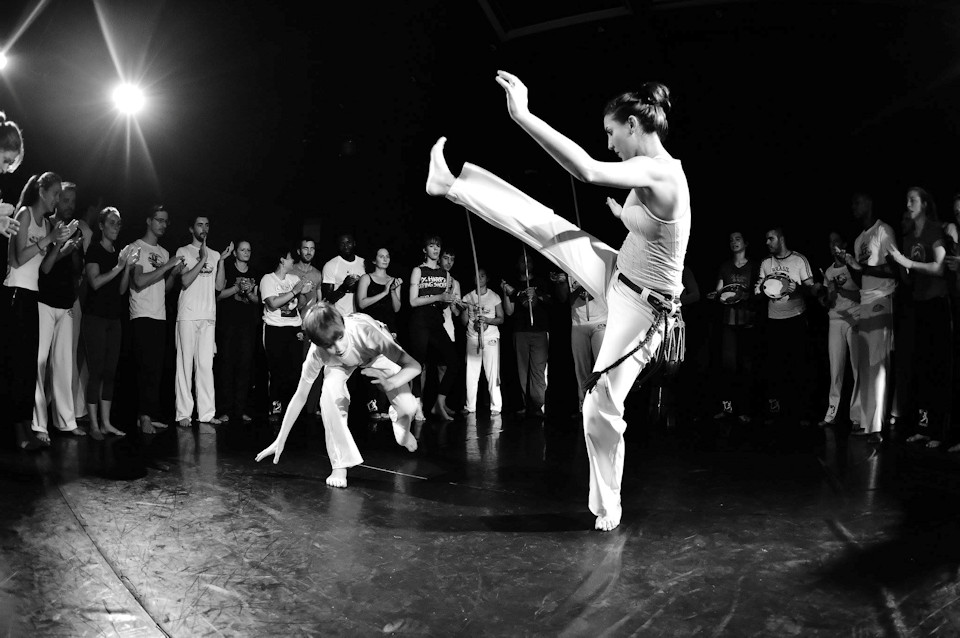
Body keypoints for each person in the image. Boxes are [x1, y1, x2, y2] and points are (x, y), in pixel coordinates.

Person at [425, 71, 690, 532]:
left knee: (598, 407)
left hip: (645, 309)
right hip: (618, 272)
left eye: (611, 132)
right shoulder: (643, 173)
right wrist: (619, 217)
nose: (609, 143)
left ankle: (609, 506)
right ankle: (450, 184)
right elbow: (642, 223)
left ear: (632, 125)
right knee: (549, 226)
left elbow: (587, 169)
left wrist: (524, 116)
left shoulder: (660, 172)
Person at [255, 301, 421, 488]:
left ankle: (402, 429)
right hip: (340, 366)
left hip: (375, 355)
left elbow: (414, 366)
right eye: (329, 345)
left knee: (408, 407)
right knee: (329, 394)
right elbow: (301, 395)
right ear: (318, 343)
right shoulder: (318, 353)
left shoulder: (366, 332)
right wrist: (281, 439)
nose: (338, 347)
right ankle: (339, 465)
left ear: (342, 324)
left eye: (340, 337)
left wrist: (390, 383)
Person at [3, 173, 73, 450]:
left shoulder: (46, 224)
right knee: (17, 364)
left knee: (29, 365)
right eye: (55, 193)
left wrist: (59, 246)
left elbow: (44, 268)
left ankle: (23, 428)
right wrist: (49, 239)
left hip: (32, 295)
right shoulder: (24, 214)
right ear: (42, 192)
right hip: (14, 293)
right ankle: (18, 431)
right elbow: (17, 259)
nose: (58, 199)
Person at [888, 187, 952, 449]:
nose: (908, 204)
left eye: (913, 200)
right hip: (919, 305)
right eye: (906, 200)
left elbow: (938, 267)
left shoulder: (934, 230)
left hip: (937, 304)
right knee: (921, 367)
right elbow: (907, 277)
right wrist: (898, 263)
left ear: (924, 204)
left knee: (937, 368)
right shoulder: (908, 237)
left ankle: (938, 430)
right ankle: (922, 426)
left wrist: (907, 261)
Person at [843, 192, 897, 443]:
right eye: (853, 203)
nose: (854, 206)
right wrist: (849, 264)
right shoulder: (858, 239)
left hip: (881, 301)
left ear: (870, 203)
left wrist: (860, 266)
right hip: (865, 302)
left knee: (878, 365)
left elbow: (892, 268)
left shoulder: (883, 230)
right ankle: (865, 422)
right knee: (864, 366)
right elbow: (859, 278)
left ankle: (877, 426)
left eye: (858, 201)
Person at [35, 182, 86, 439]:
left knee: (65, 364)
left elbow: (77, 269)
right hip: (44, 299)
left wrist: (75, 247)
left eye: (73, 202)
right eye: (65, 200)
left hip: (66, 302)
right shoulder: (46, 225)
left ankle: (66, 422)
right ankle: (39, 424)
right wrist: (62, 246)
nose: (69, 206)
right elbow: (45, 266)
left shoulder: (76, 230)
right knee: (41, 363)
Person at [83, 207, 138, 440]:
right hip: (95, 318)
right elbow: (94, 282)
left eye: (119, 223)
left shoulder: (118, 253)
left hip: (114, 319)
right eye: (112, 223)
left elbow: (123, 289)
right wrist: (118, 266)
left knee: (109, 372)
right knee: (95, 371)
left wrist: (126, 267)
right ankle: (94, 424)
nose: (116, 227)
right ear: (102, 226)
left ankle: (106, 423)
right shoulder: (95, 250)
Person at [755, 227, 818, 426]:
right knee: (775, 367)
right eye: (766, 239)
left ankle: (801, 411)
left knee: (798, 365)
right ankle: (777, 411)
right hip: (774, 319)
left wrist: (798, 289)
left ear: (781, 239)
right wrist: (760, 291)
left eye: (770, 238)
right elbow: (758, 288)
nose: (767, 242)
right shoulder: (766, 263)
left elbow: (813, 290)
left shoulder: (799, 260)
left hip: (796, 318)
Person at [130, 205, 184, 434]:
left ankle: (149, 414)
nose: (163, 225)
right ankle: (142, 416)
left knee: (155, 368)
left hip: (160, 314)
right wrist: (169, 265)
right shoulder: (136, 247)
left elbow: (165, 288)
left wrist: (172, 273)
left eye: (166, 221)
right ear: (148, 220)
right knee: (144, 367)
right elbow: (139, 281)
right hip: (141, 314)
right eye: (159, 220)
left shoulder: (163, 252)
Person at [175, 216, 229, 431]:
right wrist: (202, 259)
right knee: (185, 366)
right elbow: (185, 281)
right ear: (191, 228)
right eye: (200, 225)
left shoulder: (215, 255)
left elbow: (218, 286)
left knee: (206, 367)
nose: (204, 228)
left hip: (208, 316)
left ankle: (207, 413)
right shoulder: (183, 251)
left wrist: (221, 261)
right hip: (187, 315)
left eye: (207, 224)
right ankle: (183, 413)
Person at [408, 234, 461, 421]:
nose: (436, 249)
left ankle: (439, 403)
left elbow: (443, 304)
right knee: (418, 364)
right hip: (420, 319)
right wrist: (438, 297)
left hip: (436, 320)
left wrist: (448, 300)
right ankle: (417, 406)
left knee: (453, 362)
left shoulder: (445, 275)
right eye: (431, 246)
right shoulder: (418, 270)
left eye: (438, 246)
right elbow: (413, 301)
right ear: (425, 250)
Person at [709, 231, 758, 422]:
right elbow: (720, 290)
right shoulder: (725, 266)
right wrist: (716, 295)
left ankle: (745, 409)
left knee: (746, 366)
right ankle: (727, 408)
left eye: (737, 239)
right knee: (728, 366)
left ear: (745, 243)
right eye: (730, 240)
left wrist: (745, 296)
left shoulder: (753, 267)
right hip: (729, 320)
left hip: (747, 320)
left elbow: (758, 292)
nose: (734, 242)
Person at [260, 246, 313, 417]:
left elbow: (301, 303)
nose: (293, 262)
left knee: (295, 370)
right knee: (277, 370)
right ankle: (276, 405)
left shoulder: (294, 278)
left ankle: (293, 408)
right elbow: (272, 303)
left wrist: (303, 292)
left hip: (294, 328)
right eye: (291, 258)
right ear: (282, 260)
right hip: (275, 329)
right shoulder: (268, 279)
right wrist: (295, 291)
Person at [501, 253, 552, 418]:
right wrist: (505, 292)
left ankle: (538, 405)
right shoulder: (514, 284)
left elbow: (550, 301)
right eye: (522, 261)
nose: (525, 264)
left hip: (539, 331)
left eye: (528, 260)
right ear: (518, 265)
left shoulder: (540, 282)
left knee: (538, 370)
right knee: (522, 371)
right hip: (520, 330)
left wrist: (536, 296)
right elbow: (509, 311)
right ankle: (526, 404)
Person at [818, 232, 861, 428]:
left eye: (836, 241)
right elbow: (829, 302)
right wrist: (825, 297)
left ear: (844, 244)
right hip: (835, 321)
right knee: (835, 369)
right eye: (830, 242)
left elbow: (861, 295)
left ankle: (858, 416)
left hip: (855, 319)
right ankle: (831, 413)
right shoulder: (828, 272)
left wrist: (840, 290)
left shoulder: (853, 266)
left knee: (857, 368)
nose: (832, 245)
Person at [215, 240, 260, 423]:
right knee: (226, 367)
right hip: (228, 326)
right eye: (242, 250)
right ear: (235, 253)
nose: (246, 252)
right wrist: (236, 287)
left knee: (244, 368)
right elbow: (218, 295)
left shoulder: (254, 272)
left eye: (249, 250)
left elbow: (258, 300)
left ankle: (240, 409)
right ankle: (224, 409)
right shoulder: (229, 269)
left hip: (247, 326)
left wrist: (248, 293)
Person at [554, 268, 608, 416]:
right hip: (578, 324)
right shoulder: (569, 271)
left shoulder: (598, 266)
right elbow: (565, 299)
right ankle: (584, 406)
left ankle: (604, 405)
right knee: (581, 367)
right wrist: (563, 284)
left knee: (601, 366)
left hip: (600, 320)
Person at [357, 247, 403, 419]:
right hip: (370, 328)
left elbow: (397, 308)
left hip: (389, 329)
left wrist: (391, 291)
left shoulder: (394, 281)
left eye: (387, 256)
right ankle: (372, 405)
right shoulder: (366, 278)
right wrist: (383, 292)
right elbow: (361, 304)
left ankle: (385, 407)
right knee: (373, 366)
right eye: (381, 256)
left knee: (391, 367)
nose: (385, 259)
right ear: (374, 260)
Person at [461, 267, 504, 415]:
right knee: (471, 373)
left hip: (491, 338)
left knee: (492, 373)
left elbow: (501, 318)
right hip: (473, 337)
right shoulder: (468, 297)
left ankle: (496, 406)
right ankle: (470, 406)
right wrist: (464, 310)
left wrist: (487, 320)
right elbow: (463, 321)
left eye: (483, 276)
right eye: (477, 276)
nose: (480, 279)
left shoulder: (494, 297)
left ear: (487, 278)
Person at [321, 233, 365, 317]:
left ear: (354, 243)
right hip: (339, 316)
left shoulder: (363, 263)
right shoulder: (331, 265)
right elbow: (327, 300)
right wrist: (344, 287)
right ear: (338, 245)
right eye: (342, 243)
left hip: (361, 317)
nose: (346, 246)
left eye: (348, 243)